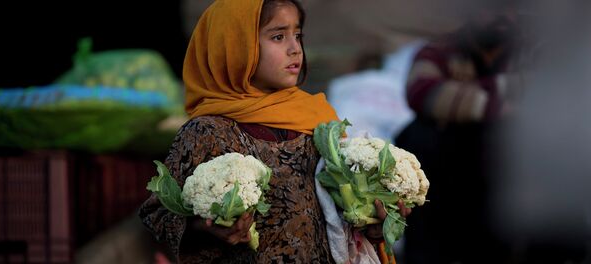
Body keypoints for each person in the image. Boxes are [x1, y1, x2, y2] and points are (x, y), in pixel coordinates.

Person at [139, 0, 409, 263]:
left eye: (297, 35)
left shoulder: (319, 120)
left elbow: (341, 218)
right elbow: (158, 215)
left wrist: (372, 223)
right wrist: (205, 227)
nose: (295, 49)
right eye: (278, 37)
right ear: (235, 47)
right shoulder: (207, 131)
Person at [394, 7, 522, 264]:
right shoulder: (440, 52)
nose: (501, 14)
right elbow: (424, 93)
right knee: (417, 135)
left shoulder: (532, 50)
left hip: (509, 165)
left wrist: (462, 99)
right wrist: (505, 92)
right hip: (452, 164)